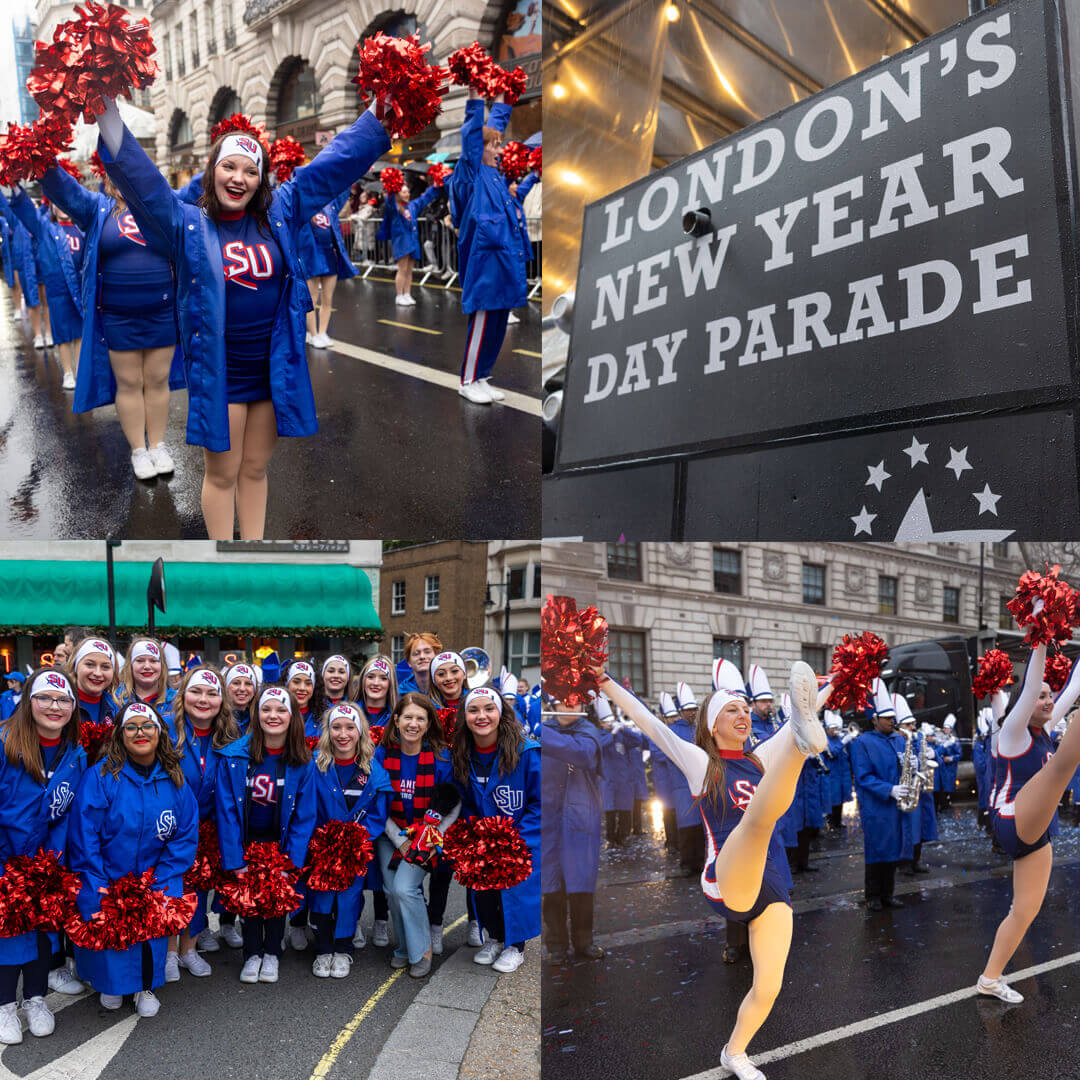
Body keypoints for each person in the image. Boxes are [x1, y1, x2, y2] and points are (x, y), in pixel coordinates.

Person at [95, 94, 394, 540]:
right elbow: (145, 183)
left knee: (255, 469)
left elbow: (333, 166)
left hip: (273, 370)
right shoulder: (187, 223)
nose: (239, 178)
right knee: (223, 474)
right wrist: (107, 117)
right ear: (212, 170)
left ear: (261, 179)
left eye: (251, 171)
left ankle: (252, 551)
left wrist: (377, 116)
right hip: (222, 374)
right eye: (229, 166)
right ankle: (220, 565)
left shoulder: (281, 210)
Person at [601, 660, 830, 1080]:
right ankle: (803, 740)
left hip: (774, 879)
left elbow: (805, 707)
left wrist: (840, 682)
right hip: (727, 875)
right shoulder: (699, 762)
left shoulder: (759, 759)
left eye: (746, 709)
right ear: (711, 724)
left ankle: (735, 1052)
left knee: (769, 985)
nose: (743, 715)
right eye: (732, 710)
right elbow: (652, 724)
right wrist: (604, 681)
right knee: (756, 822)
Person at [38, 163, 183, 479]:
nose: (125, 180)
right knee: (130, 383)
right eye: (117, 174)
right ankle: (138, 451)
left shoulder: (163, 203)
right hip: (118, 316)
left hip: (162, 312)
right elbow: (64, 190)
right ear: (106, 179)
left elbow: (200, 189)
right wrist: (41, 159)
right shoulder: (96, 207)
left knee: (157, 381)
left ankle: (158, 445)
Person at [68, 701, 198, 1016]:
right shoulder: (99, 777)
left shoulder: (175, 778)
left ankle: (145, 987)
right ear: (120, 735)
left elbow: (184, 835)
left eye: (147, 726)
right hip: (109, 876)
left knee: (149, 935)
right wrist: (99, 883)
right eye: (131, 727)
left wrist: (160, 879)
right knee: (110, 934)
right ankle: (110, 985)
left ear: (159, 732)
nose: (140, 733)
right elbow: (85, 834)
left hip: (153, 877)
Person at [979, 646, 1080, 1002]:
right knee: (1063, 764)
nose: (1048, 700)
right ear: (1024, 700)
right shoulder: (1013, 732)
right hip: (1010, 819)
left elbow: (1071, 689)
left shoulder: (1044, 730)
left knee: (1024, 911)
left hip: (1035, 831)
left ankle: (989, 979)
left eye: (1049, 696)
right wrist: (1040, 639)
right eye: (1040, 696)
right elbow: (1032, 684)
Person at [0, 668, 87, 1043]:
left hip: (45, 863)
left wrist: (50, 862)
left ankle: (35, 999)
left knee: (42, 933)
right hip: (4, 860)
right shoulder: (4, 742)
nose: (55, 706)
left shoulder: (75, 754)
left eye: (63, 699)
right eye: (45, 698)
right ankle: (5, 1005)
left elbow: (67, 814)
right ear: (28, 701)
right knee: (6, 934)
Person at [214, 684, 316, 984]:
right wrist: (235, 859)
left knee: (276, 902)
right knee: (250, 902)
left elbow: (304, 816)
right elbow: (227, 811)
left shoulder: (302, 761)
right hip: (247, 844)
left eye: (281, 709)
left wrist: (291, 861)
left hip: (280, 845)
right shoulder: (234, 758)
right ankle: (252, 954)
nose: (273, 715)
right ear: (256, 715)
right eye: (266, 709)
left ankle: (272, 953)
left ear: (292, 716)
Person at [450, 686, 540, 973]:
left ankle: (516, 946)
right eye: (473, 710)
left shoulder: (527, 752)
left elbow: (541, 802)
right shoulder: (462, 753)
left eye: (488, 709)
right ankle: (496, 938)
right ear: (464, 717)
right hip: (482, 840)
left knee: (515, 892)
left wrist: (516, 839)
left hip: (519, 839)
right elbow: (464, 801)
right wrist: (472, 837)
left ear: (501, 714)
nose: (481, 716)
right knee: (485, 892)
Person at [373, 693, 458, 977]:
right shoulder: (381, 755)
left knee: (405, 889)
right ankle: (402, 948)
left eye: (420, 718)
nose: (413, 723)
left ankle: (422, 950)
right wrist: (400, 839)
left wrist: (434, 837)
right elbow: (376, 803)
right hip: (391, 833)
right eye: (407, 716)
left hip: (426, 838)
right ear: (396, 720)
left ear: (428, 723)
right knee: (389, 890)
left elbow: (453, 804)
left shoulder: (441, 758)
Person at [163, 666, 240, 976]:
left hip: (208, 829)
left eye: (212, 693)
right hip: (170, 829)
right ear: (183, 695)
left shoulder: (230, 736)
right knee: (171, 890)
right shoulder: (165, 728)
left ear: (222, 700)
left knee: (198, 891)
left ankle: (189, 949)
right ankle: (168, 954)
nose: (203, 699)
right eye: (196, 691)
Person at [454, 90, 527, 404]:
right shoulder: (472, 173)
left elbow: (492, 128)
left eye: (500, 143)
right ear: (478, 150)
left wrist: (503, 98)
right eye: (494, 145)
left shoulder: (496, 176)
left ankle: (482, 375)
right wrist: (474, 99)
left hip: (503, 262)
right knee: (484, 321)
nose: (500, 149)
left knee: (498, 323)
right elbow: (472, 134)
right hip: (484, 265)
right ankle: (468, 379)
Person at [309, 702, 392, 978]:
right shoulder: (315, 764)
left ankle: (344, 949)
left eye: (349, 727)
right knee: (321, 898)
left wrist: (357, 838)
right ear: (327, 731)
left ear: (360, 731)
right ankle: (322, 950)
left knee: (349, 899)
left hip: (354, 850)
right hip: (321, 848)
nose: (342, 734)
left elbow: (379, 812)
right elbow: (305, 807)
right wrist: (321, 840)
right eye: (336, 727)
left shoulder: (372, 769)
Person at [541, 695, 610, 962]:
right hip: (548, 819)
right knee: (551, 886)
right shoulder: (544, 729)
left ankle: (584, 942)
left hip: (579, 818)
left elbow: (580, 754)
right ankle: (556, 946)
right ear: (554, 706)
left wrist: (541, 732)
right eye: (563, 702)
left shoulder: (588, 731)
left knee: (581, 885)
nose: (568, 707)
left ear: (583, 707)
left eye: (574, 703)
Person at [4, 186, 82, 389]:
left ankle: (81, 372)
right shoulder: (46, 229)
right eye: (57, 204)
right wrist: (14, 186)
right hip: (57, 289)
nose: (62, 208)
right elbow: (29, 213)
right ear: (52, 207)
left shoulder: (82, 227)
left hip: (80, 289)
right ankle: (67, 372)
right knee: (63, 334)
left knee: (81, 333)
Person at [849, 681, 907, 911]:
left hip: (896, 804)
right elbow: (863, 777)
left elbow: (906, 768)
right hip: (876, 804)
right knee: (877, 849)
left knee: (893, 849)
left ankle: (888, 894)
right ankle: (873, 895)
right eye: (887, 718)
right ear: (874, 719)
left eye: (893, 717)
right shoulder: (862, 742)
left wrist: (913, 764)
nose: (892, 721)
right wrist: (889, 789)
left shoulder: (900, 739)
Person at [299, 188, 357, 347]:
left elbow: (343, 191)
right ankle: (313, 334)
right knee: (312, 299)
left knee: (327, 299)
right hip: (312, 256)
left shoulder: (330, 206)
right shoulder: (304, 207)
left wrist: (350, 171)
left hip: (330, 256)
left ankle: (323, 332)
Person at [376, 179, 441, 306]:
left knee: (410, 270)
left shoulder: (412, 205)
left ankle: (407, 294)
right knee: (402, 269)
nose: (407, 194)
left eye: (408, 192)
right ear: (398, 194)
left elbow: (425, 198)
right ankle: (399, 295)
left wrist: (435, 186)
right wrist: (392, 188)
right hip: (401, 241)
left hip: (412, 240)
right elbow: (389, 200)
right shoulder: (393, 208)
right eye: (404, 192)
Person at [111, 637, 175, 713]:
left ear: (162, 666)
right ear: (130, 666)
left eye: (153, 661)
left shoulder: (176, 701)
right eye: (140, 661)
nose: (147, 666)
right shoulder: (114, 700)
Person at [67, 637, 118, 731]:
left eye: (105, 666)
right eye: (90, 664)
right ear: (75, 666)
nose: (98, 673)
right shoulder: (60, 705)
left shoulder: (117, 708)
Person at [224, 662, 258, 731]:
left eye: (248, 684)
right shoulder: (216, 720)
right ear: (226, 687)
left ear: (254, 690)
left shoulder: (260, 721)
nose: (242, 688)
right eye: (236, 683)